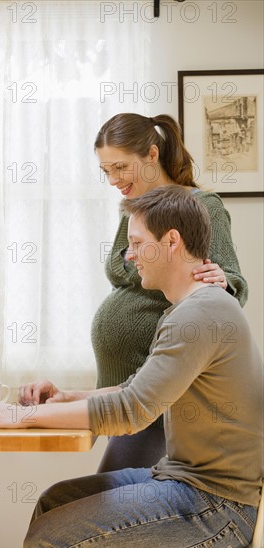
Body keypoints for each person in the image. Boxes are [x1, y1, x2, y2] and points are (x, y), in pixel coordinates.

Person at [0, 186, 263, 548]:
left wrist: (18, 416)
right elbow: (131, 389)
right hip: (183, 482)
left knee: (51, 538)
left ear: (171, 242)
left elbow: (131, 411)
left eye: (135, 243)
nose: (130, 256)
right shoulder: (189, 309)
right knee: (53, 503)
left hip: (217, 506)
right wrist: (66, 397)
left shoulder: (200, 313)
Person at [91, 113, 248, 472]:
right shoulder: (135, 208)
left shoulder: (201, 207)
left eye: (120, 167)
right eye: (106, 171)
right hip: (128, 392)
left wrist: (222, 281)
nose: (114, 179)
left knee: (107, 507)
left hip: (162, 397)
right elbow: (125, 275)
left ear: (151, 154)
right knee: (103, 503)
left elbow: (231, 287)